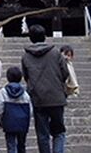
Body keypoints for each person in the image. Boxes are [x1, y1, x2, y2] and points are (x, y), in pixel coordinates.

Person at [21, 24, 69, 153]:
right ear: (44, 36)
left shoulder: (26, 56)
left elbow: (26, 76)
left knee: (42, 134)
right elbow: (65, 72)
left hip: (38, 98)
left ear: (30, 38)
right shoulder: (55, 53)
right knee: (58, 132)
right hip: (56, 96)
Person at [0, 66, 32, 153]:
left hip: (9, 122)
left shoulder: (3, 92)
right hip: (22, 123)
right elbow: (30, 109)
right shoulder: (24, 93)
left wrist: (1, 120)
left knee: (11, 145)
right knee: (22, 145)